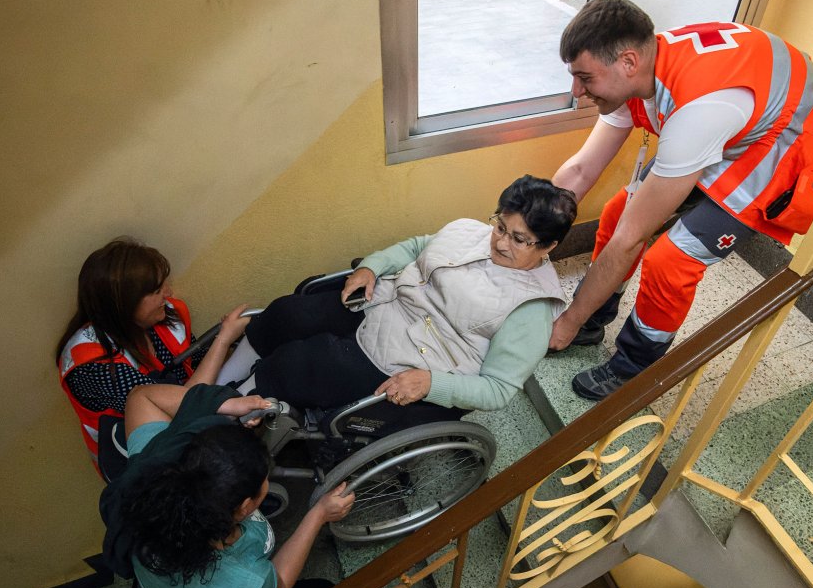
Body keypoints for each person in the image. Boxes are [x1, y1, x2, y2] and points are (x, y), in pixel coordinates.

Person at [549, 0, 813, 400]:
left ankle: (633, 368)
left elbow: (632, 239)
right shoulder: (630, 73)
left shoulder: (698, 112)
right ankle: (594, 319)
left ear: (628, 62)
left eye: (584, 78)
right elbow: (581, 170)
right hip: (736, 122)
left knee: (672, 260)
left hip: (780, 147)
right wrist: (529, 231)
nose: (576, 90)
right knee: (618, 213)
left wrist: (568, 320)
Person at [218, 175, 578, 413]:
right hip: (383, 302)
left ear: (547, 246)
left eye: (518, 238)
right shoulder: (470, 230)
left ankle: (224, 407)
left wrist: (431, 383)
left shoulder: (531, 311)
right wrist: (371, 267)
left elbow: (498, 390)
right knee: (286, 313)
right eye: (500, 225)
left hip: (418, 357)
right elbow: (417, 247)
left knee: (298, 365)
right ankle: (217, 386)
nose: (500, 241)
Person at [101, 383, 354, 588]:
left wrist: (226, 404)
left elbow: (141, 397)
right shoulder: (237, 587)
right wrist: (317, 515)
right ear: (244, 506)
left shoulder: (151, 480)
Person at [56, 237, 252, 467]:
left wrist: (229, 337)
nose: (168, 294)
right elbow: (179, 409)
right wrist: (223, 340)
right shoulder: (92, 366)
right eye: (158, 290)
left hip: (187, 406)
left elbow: (197, 362)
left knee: (262, 337)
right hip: (146, 456)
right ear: (126, 303)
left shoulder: (162, 318)